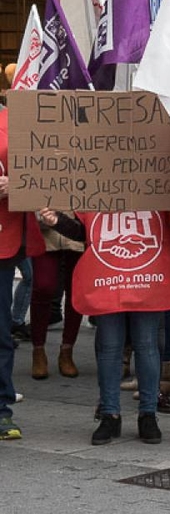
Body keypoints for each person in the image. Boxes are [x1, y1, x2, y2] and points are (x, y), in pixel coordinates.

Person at [39, 208, 170, 445]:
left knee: (147, 344)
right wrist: (57, 220)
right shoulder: (99, 184)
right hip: (107, 276)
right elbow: (84, 232)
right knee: (110, 346)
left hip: (147, 275)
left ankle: (148, 414)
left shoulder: (159, 181)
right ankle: (110, 414)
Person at [26, 222, 84, 380]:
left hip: (77, 229)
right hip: (44, 229)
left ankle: (67, 350)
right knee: (43, 286)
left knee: (76, 290)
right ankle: (38, 350)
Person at [0, 106, 25, 440]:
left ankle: (1, 409)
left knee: (0, 330)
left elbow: (42, 170)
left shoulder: (13, 118)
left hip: (3, 239)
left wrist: (15, 184)